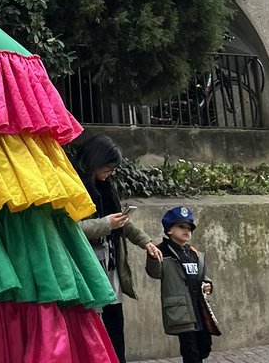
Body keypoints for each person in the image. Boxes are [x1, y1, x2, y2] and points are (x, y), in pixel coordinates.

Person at [74, 134, 163, 363]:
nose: (111, 172)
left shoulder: (106, 186)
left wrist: (146, 242)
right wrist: (105, 224)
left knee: (116, 326)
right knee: (91, 328)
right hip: (89, 268)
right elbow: (70, 229)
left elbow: (124, 222)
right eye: (108, 166)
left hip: (111, 266)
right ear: (95, 161)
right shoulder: (74, 187)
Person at [146, 206, 216, 363]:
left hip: (199, 307)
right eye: (181, 226)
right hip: (181, 310)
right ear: (169, 230)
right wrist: (152, 258)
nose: (187, 231)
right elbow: (154, 273)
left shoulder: (193, 253)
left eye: (189, 227)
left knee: (204, 347)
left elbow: (201, 275)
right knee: (190, 350)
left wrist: (207, 283)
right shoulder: (161, 251)